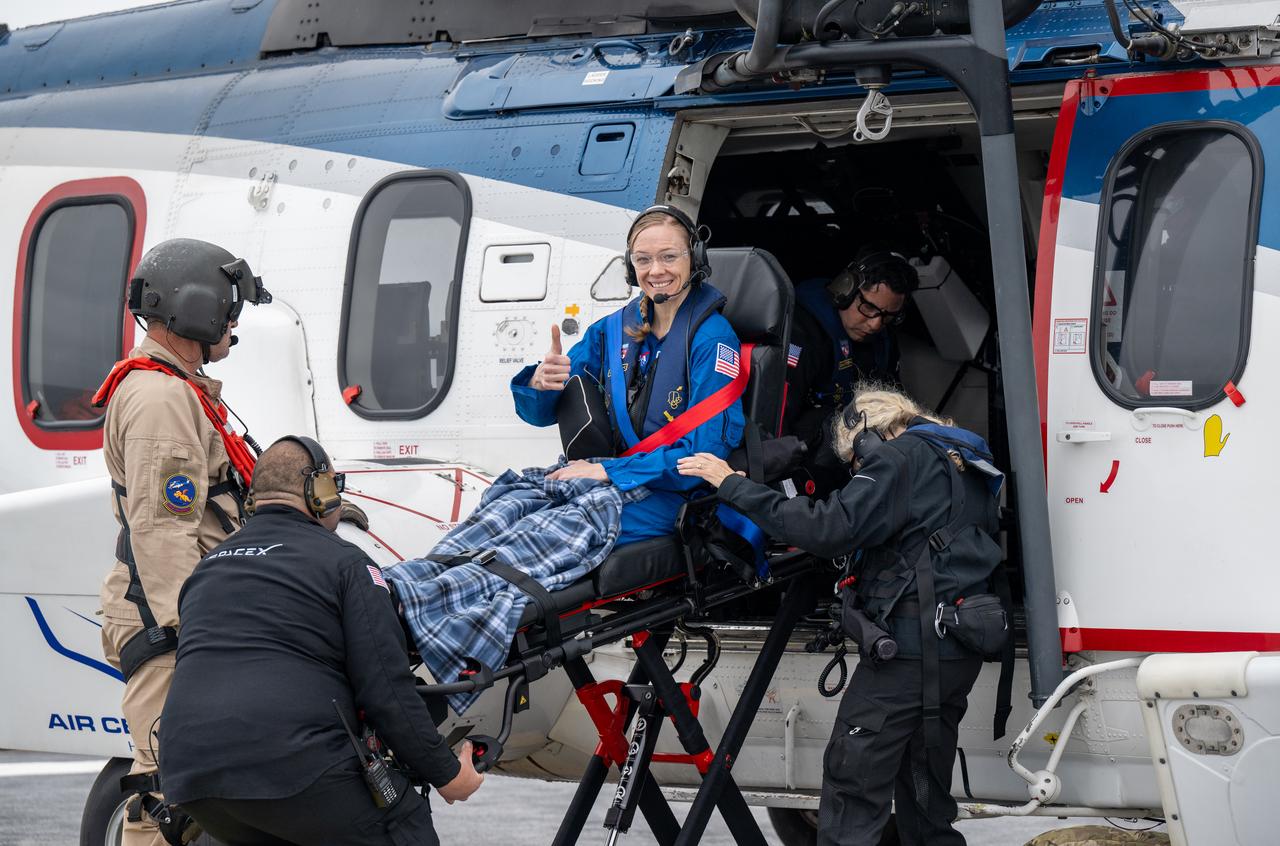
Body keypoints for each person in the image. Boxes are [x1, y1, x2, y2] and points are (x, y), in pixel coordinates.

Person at [678, 385, 1004, 846]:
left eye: (855, 463)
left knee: (852, 782)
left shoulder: (898, 458)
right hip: (958, 648)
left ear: (872, 434)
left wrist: (731, 483)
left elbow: (827, 528)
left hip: (908, 653)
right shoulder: (966, 455)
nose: (858, 472)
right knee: (926, 800)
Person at [159, 437, 482, 846]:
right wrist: (447, 775)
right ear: (321, 493)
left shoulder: (207, 569)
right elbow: (385, 689)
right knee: (403, 825)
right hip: (292, 769)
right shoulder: (347, 564)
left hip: (189, 775)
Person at [91, 238, 272, 846]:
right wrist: (185, 631)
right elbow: (163, 532)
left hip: (189, 611)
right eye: (228, 307)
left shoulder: (178, 388)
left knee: (206, 789)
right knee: (169, 798)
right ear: (195, 307)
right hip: (167, 620)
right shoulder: (161, 398)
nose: (233, 323)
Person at [510, 203, 746, 545]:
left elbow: (703, 457)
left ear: (693, 257)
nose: (655, 271)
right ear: (629, 264)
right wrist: (540, 382)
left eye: (669, 256)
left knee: (545, 534)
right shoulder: (612, 330)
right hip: (616, 479)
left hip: (675, 494)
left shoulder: (712, 339)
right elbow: (541, 412)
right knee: (510, 505)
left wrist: (607, 471)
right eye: (643, 259)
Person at [784, 250, 919, 491]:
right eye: (868, 308)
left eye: (888, 316)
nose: (875, 324)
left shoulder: (883, 340)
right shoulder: (804, 332)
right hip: (805, 454)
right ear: (844, 291)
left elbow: (893, 397)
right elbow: (780, 420)